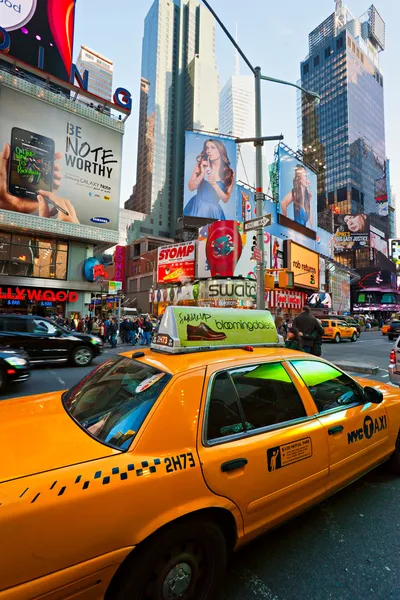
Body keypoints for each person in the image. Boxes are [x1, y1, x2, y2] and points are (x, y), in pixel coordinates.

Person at [184, 139, 235, 219]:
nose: (208, 151)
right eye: (207, 148)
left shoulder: (229, 172)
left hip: (214, 211)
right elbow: (191, 187)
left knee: (214, 231)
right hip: (197, 206)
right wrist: (202, 174)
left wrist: (215, 185)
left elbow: (226, 199)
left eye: (212, 147)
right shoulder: (201, 164)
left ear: (220, 150)